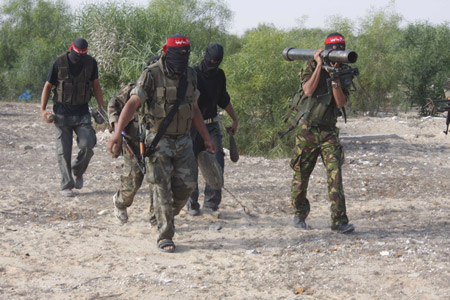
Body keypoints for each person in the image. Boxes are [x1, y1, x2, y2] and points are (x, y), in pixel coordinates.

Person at [107, 34, 216, 252]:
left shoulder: (190, 74)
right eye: (179, 54)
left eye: (187, 54)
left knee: (187, 185)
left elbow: (193, 108)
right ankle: (165, 235)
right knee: (161, 186)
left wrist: (205, 137)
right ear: (167, 52)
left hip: (184, 140)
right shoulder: (151, 74)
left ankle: (158, 214)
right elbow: (131, 103)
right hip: (158, 140)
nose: (183, 58)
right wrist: (116, 133)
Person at [290, 32, 354, 233]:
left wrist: (334, 77)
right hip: (307, 129)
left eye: (341, 48)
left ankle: (339, 221)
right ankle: (300, 214)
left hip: (328, 132)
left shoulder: (344, 72)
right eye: (334, 49)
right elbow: (308, 91)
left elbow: (341, 102)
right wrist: (320, 65)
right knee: (301, 175)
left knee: (335, 176)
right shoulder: (310, 65)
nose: (338, 52)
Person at [40, 37, 105, 197]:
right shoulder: (59, 63)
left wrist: (101, 108)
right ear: (71, 49)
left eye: (83, 55)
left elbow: (96, 85)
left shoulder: (91, 63)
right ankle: (66, 185)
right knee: (64, 151)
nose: (80, 58)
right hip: (62, 114)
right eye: (78, 55)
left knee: (88, 144)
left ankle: (78, 170)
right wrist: (43, 110)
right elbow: (48, 86)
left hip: (82, 113)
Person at [186, 43, 238, 217]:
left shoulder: (220, 75)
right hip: (193, 126)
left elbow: (224, 99)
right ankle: (192, 203)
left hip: (212, 124)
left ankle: (211, 204)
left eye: (217, 61)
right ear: (205, 56)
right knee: (191, 164)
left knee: (217, 164)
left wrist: (235, 118)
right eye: (211, 60)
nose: (213, 64)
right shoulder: (193, 74)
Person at [108, 56, 160, 225]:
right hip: (133, 144)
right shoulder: (131, 90)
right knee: (132, 182)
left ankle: (155, 218)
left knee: (157, 181)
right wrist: (117, 130)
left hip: (155, 145)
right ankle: (120, 203)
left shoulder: (164, 94)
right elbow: (113, 105)